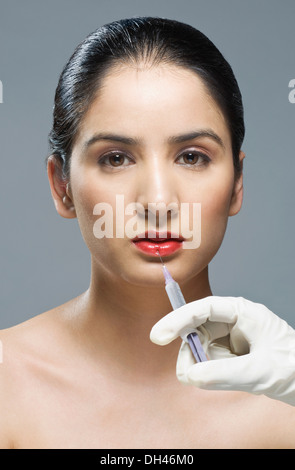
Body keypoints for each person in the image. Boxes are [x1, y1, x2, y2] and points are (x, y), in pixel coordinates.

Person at [1, 17, 295, 449]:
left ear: (237, 182)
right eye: (116, 158)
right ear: (62, 186)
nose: (158, 202)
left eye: (192, 157)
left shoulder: (284, 399)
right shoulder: (6, 387)